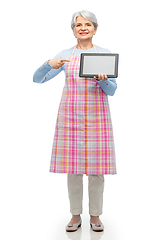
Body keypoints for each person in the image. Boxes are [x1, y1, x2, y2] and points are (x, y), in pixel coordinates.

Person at [33, 10, 117, 232]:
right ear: (73, 30)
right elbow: (37, 79)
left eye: (87, 24)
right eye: (78, 25)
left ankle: (96, 216)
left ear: (95, 29)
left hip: (97, 119)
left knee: (97, 171)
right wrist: (48, 64)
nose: (83, 28)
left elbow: (112, 91)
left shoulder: (105, 54)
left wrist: (103, 81)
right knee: (74, 170)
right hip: (70, 118)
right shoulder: (64, 55)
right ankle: (75, 215)